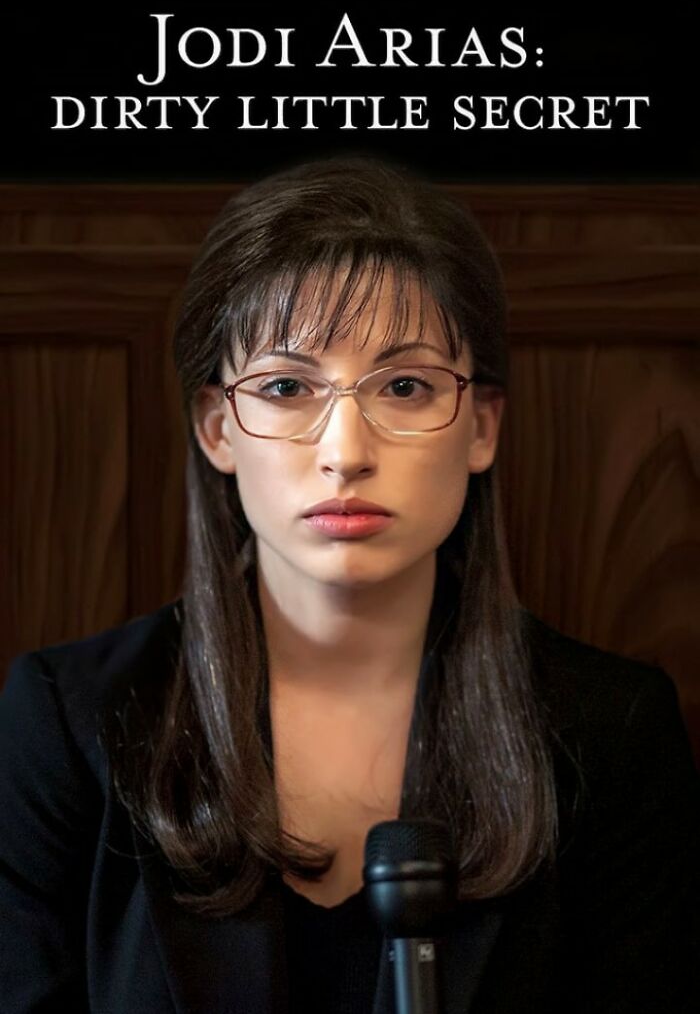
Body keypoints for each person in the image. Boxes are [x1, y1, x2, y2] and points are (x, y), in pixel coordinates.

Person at [1, 155, 699, 1014]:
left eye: (403, 385)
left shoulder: (615, 731)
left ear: (481, 426)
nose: (346, 450)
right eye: (288, 386)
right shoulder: (68, 722)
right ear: (219, 428)